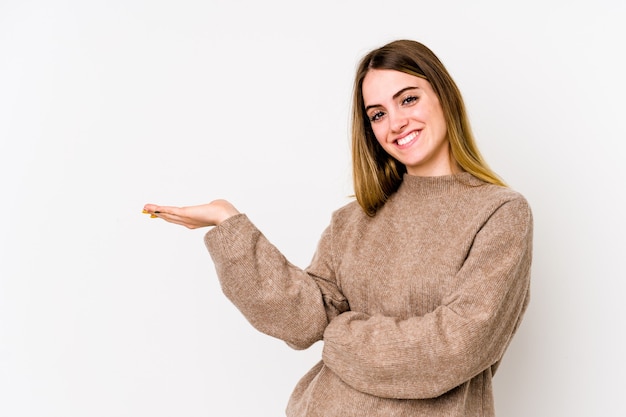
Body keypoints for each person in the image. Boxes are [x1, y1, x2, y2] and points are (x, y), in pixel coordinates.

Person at [143, 39, 533, 417]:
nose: (396, 122)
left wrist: (341, 333)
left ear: (444, 97)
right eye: (377, 113)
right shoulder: (353, 220)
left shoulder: (500, 213)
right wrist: (228, 223)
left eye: (408, 99)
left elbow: (455, 348)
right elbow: (302, 321)